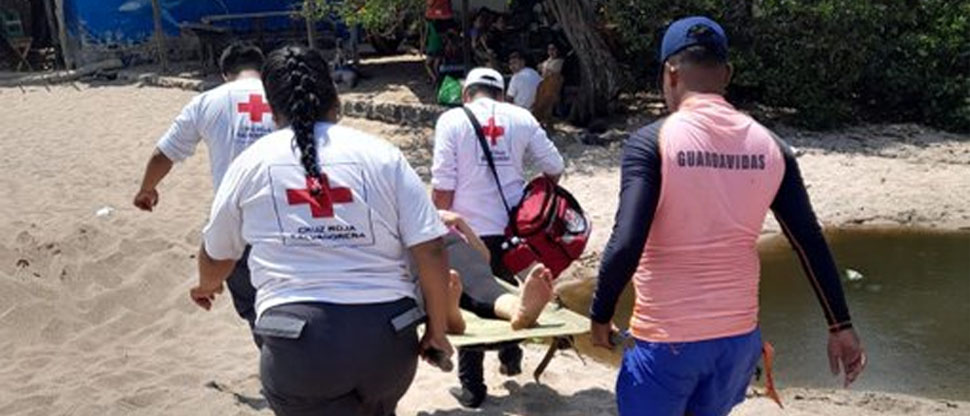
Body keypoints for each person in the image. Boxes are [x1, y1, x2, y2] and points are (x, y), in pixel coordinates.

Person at [589, 17, 867, 416]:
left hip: (667, 342)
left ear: (669, 73)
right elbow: (809, 242)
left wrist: (600, 315)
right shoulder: (773, 148)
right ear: (728, 74)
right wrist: (840, 325)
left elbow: (626, 242)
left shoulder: (651, 143)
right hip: (737, 343)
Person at [189, 46, 454, 415]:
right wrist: (437, 331)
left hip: (300, 349)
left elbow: (217, 255)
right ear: (335, 95)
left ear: (271, 107)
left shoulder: (250, 163)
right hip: (389, 344)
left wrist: (205, 285)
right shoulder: (382, 153)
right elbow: (432, 249)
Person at [431, 67, 565, 407]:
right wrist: (530, 198)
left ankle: (473, 387)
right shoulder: (521, 117)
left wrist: (437, 227)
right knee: (507, 293)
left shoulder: (452, 120)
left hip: (466, 231)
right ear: (502, 95)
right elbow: (554, 166)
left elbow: (443, 184)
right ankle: (510, 354)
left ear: (466, 93)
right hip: (511, 230)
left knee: (475, 305)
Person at [132, 43, 273, 340]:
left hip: (238, 220)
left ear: (225, 74)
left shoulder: (207, 101)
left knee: (254, 307)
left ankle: (281, 368)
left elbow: (163, 154)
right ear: (262, 69)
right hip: (294, 212)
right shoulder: (283, 96)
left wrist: (147, 189)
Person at [435, 210, 554, 335]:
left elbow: (485, 257)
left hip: (469, 268)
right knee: (469, 283)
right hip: (429, 262)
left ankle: (519, 310)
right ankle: (448, 314)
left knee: (483, 283)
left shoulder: (441, 219)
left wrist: (461, 223)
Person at [533, 42, 565, 125]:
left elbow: (554, 72)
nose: (551, 52)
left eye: (553, 49)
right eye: (549, 49)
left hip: (553, 84)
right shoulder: (547, 61)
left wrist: (545, 69)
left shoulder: (559, 61)